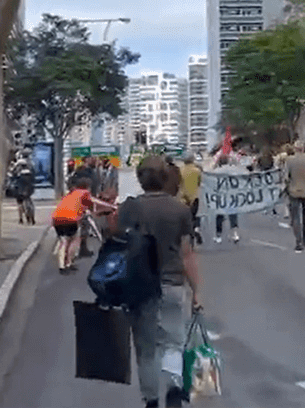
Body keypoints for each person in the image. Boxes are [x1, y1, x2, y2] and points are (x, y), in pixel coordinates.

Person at [113, 157, 202, 408]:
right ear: (166, 178)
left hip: (139, 288)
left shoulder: (130, 209)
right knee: (173, 343)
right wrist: (196, 292)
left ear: (140, 180)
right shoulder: (179, 210)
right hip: (173, 283)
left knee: (146, 350)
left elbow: (119, 246)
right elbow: (187, 255)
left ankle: (151, 400)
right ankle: (174, 391)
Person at [51, 176, 115, 272]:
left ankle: (61, 266)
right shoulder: (84, 193)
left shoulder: (70, 194)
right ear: (87, 186)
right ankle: (68, 263)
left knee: (63, 241)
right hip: (71, 219)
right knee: (75, 240)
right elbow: (93, 203)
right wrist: (111, 207)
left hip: (57, 218)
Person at [285, 141, 305, 251]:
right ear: (303, 148)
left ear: (294, 149)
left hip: (294, 190)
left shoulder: (289, 160)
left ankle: (298, 241)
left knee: (296, 217)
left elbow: (286, 176)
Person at [210, 153, 242, 244]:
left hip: (220, 196)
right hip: (231, 195)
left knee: (219, 215)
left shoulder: (216, 171)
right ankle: (235, 234)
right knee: (233, 215)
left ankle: (218, 235)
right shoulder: (232, 171)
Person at [178, 155, 203, 245]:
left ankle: (187, 232)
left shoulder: (180, 170)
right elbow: (199, 182)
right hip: (195, 197)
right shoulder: (197, 171)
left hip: (183, 198)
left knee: (185, 217)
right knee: (196, 215)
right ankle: (196, 229)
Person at [11, 154, 36, 225]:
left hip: (20, 190)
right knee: (29, 201)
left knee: (20, 204)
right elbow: (33, 179)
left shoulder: (17, 169)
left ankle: (21, 218)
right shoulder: (30, 168)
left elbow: (13, 178)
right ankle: (32, 218)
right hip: (28, 190)